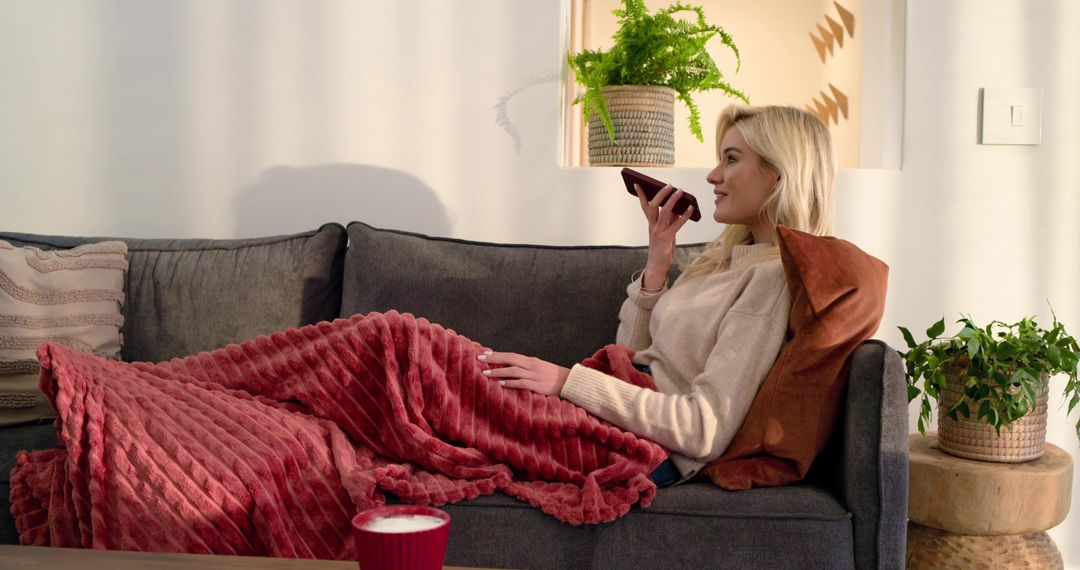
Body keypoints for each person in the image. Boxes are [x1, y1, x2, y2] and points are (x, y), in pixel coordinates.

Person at [477, 105, 837, 485]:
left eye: (731, 159)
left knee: (444, 368)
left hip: (640, 447)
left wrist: (567, 382)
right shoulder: (719, 261)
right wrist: (656, 267)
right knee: (447, 371)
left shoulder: (771, 279)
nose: (713, 176)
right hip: (617, 421)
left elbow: (703, 430)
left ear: (778, 175)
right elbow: (631, 357)